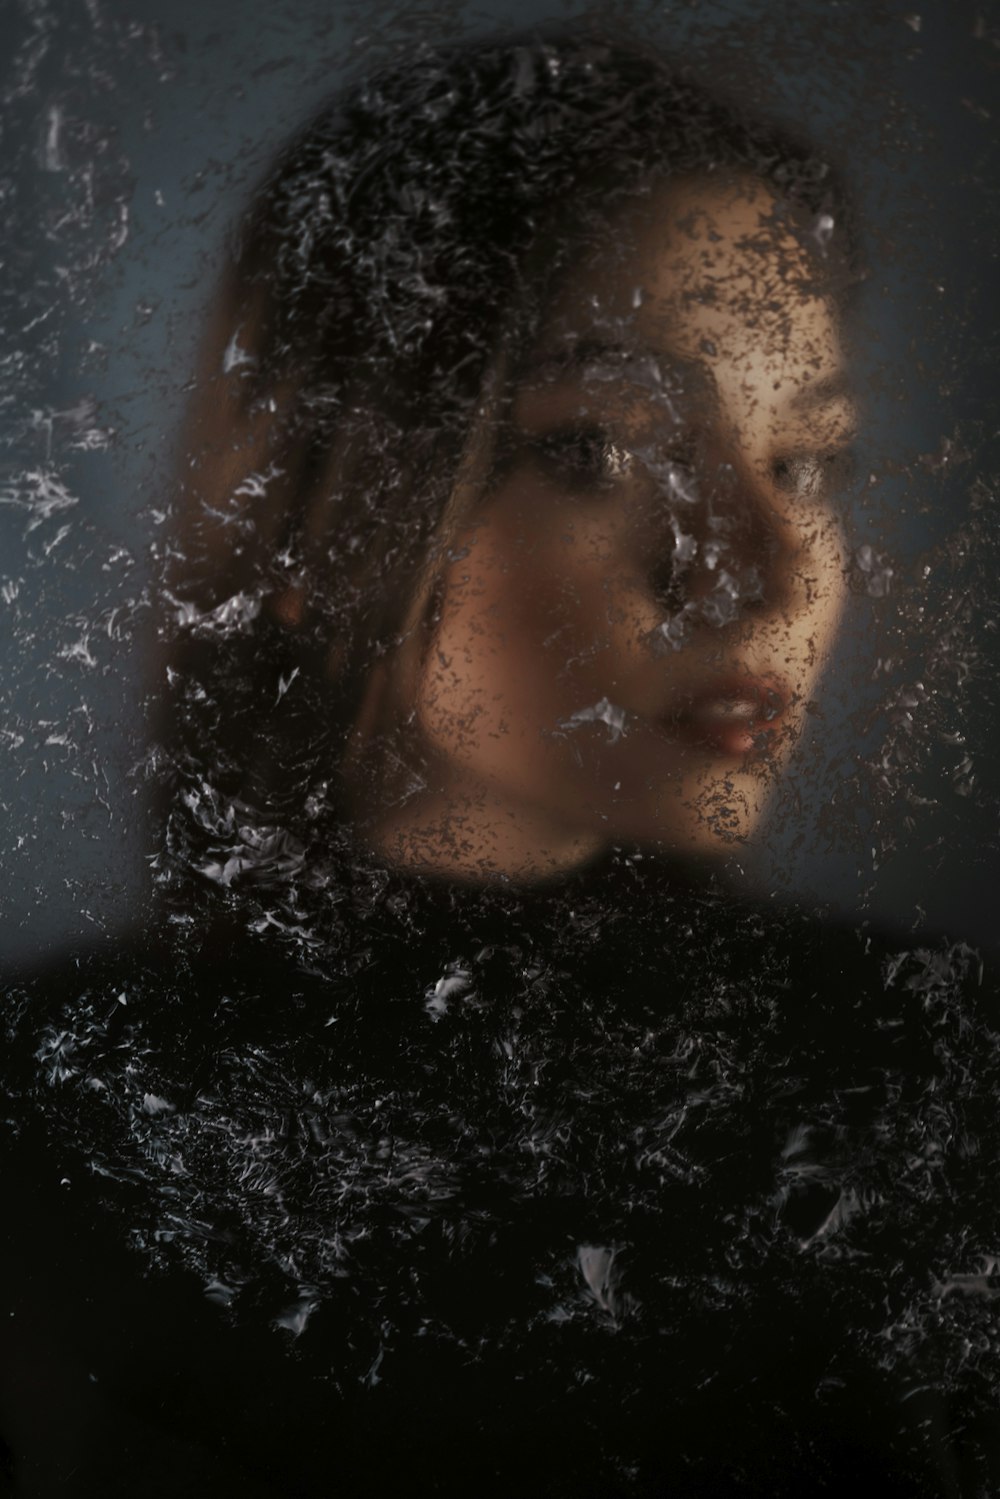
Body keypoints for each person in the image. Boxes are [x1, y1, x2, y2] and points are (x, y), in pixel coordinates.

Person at [3, 28, 999, 1499]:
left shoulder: (929, 1081)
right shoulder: (51, 1128)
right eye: (598, 450)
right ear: (320, 511)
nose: (763, 573)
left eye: (808, 462)